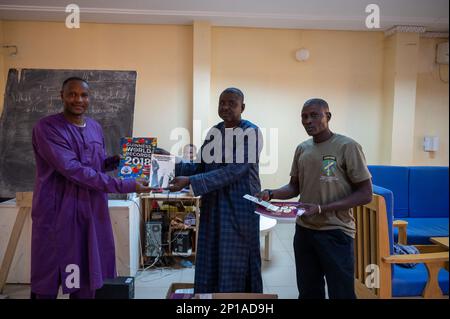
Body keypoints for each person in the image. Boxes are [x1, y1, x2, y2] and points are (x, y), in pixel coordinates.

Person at [30, 77, 150, 299]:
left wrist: (121, 161)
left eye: (84, 95)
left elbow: (95, 165)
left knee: (86, 277)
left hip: (91, 211)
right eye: (72, 94)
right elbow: (74, 170)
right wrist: (126, 184)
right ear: (62, 96)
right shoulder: (47, 128)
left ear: (89, 98)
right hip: (59, 214)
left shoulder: (94, 127)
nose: (79, 99)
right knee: (49, 278)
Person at [258, 98, 372, 299]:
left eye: (314, 115)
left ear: (328, 116)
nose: (308, 121)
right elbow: (294, 187)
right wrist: (271, 193)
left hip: (336, 232)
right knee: (309, 291)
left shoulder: (348, 146)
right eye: (304, 116)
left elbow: (365, 193)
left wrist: (321, 208)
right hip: (304, 231)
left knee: (341, 292)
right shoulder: (303, 148)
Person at [168, 87, 263, 293]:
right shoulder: (214, 132)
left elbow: (236, 169)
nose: (225, 107)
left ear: (242, 107)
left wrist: (190, 180)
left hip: (240, 206)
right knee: (210, 255)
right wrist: (170, 161)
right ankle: (209, 298)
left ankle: (239, 301)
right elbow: (201, 167)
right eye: (222, 102)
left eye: (232, 103)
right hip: (214, 204)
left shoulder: (250, 131)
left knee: (237, 259)